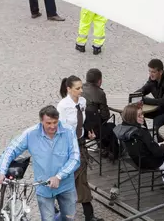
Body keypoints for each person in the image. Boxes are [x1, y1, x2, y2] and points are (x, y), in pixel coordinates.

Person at [0, 105, 80, 221]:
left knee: (68, 217)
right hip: (43, 186)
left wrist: (59, 176)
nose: (53, 126)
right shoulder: (30, 134)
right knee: (47, 219)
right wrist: (1, 172)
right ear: (41, 121)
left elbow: (75, 158)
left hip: (65, 186)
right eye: (48, 123)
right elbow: (11, 150)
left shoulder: (68, 131)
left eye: (55, 122)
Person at [58, 76, 96, 221]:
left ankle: (89, 215)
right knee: (70, 179)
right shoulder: (63, 106)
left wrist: (88, 133)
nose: (81, 91)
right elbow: (60, 129)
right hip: (68, 147)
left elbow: (82, 121)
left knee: (81, 179)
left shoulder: (82, 101)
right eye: (77, 88)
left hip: (80, 144)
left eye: (81, 87)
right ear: (69, 89)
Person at [114, 103, 164, 179]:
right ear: (132, 118)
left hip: (135, 159)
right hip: (150, 162)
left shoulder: (124, 129)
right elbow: (158, 152)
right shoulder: (140, 132)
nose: (143, 116)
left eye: (142, 114)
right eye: (139, 115)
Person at [136, 58, 164, 129]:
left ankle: (159, 137)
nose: (150, 74)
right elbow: (145, 89)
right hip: (162, 108)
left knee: (158, 120)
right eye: (149, 71)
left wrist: (144, 100)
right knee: (137, 113)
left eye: (153, 72)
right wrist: (135, 95)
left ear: (160, 72)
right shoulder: (153, 78)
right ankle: (144, 134)